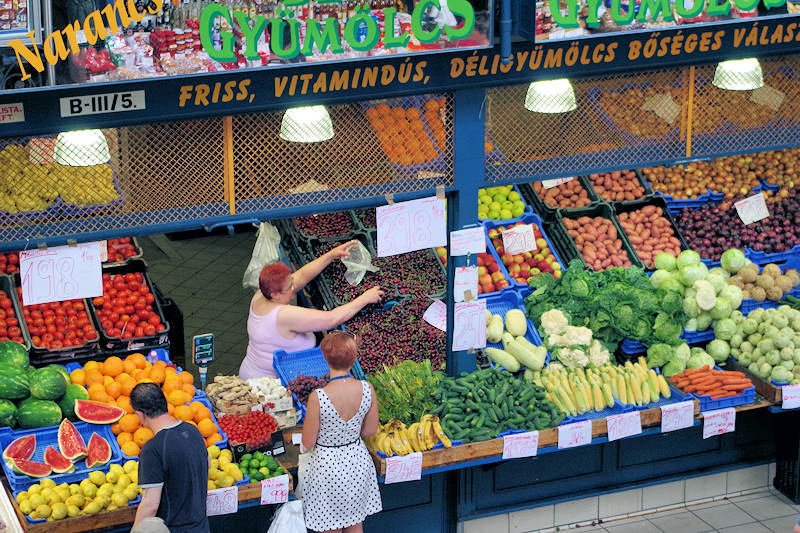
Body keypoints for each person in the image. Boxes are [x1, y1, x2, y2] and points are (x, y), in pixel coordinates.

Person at [239, 240, 384, 380]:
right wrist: (365, 298)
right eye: (289, 288)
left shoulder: (260, 295)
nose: (293, 288)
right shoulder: (283, 315)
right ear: (275, 294)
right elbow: (332, 319)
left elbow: (300, 276)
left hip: (253, 370)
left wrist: (331, 255)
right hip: (268, 384)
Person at [301, 331, 382, 533]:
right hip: (357, 464)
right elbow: (371, 430)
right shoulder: (367, 388)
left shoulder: (318, 396)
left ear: (325, 357)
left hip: (327, 468)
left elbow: (308, 441)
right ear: (355, 358)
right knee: (355, 524)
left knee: (329, 527)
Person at [131, 383, 210, 533]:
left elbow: (150, 504)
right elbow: (207, 466)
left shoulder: (152, 449)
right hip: (201, 526)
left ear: (140, 414)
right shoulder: (192, 429)